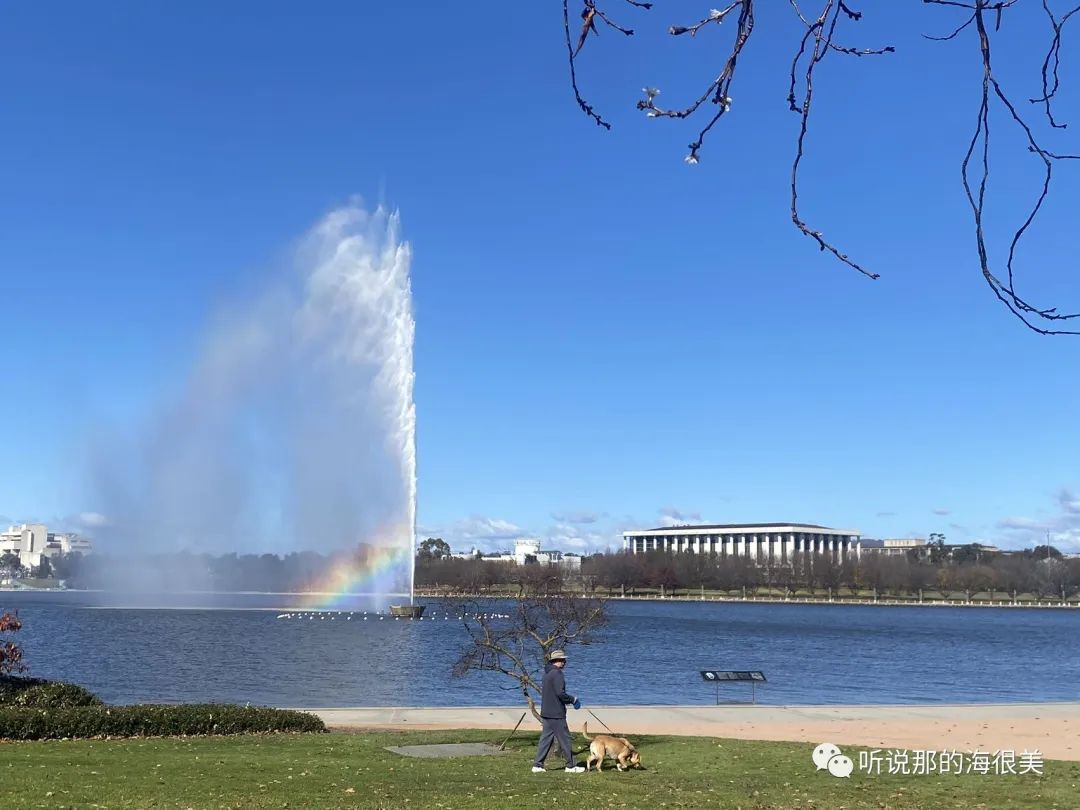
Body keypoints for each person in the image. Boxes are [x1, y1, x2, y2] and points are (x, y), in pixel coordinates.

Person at [531, 649, 584, 773]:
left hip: (546, 712)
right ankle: (571, 766)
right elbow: (560, 693)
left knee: (545, 739)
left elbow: (553, 693)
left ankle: (537, 765)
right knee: (565, 739)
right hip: (556, 713)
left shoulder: (546, 674)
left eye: (564, 660)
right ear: (557, 661)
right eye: (563, 660)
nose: (565, 662)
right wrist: (573, 699)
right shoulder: (557, 673)